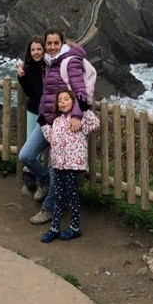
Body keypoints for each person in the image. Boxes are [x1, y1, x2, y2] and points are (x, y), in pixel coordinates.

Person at [19, 27, 90, 225]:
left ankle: (48, 209)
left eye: (55, 43)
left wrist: (76, 116)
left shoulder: (70, 61)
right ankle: (46, 182)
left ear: (62, 43)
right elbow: (44, 90)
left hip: (64, 124)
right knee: (26, 155)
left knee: (55, 166)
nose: (51, 47)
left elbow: (80, 91)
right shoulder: (50, 62)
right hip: (47, 121)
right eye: (48, 43)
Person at [38, 88, 100, 242]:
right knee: (58, 197)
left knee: (72, 197)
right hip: (58, 164)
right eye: (60, 100)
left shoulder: (79, 120)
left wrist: (84, 110)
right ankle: (55, 227)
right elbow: (52, 139)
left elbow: (95, 125)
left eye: (66, 99)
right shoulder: (57, 121)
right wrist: (44, 125)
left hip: (73, 165)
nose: (63, 102)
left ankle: (74, 227)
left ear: (73, 101)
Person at [16, 36, 45, 194]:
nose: (36, 52)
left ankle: (45, 176)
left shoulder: (49, 65)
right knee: (31, 143)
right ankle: (29, 172)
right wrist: (21, 77)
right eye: (33, 49)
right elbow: (29, 92)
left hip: (49, 111)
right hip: (34, 109)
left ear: (44, 50)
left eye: (39, 49)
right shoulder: (27, 67)